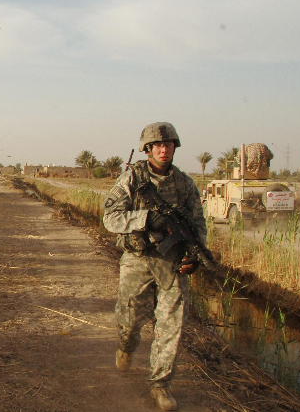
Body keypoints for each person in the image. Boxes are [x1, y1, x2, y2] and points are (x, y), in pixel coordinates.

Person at [102, 122, 206, 411]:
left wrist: (194, 254)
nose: (164, 149)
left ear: (175, 148)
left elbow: (198, 223)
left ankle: (161, 386)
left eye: (169, 145)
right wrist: (145, 219)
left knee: (171, 326)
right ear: (148, 149)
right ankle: (125, 346)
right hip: (137, 260)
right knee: (130, 321)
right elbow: (110, 218)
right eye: (158, 145)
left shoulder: (185, 184)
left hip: (173, 264)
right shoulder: (131, 179)